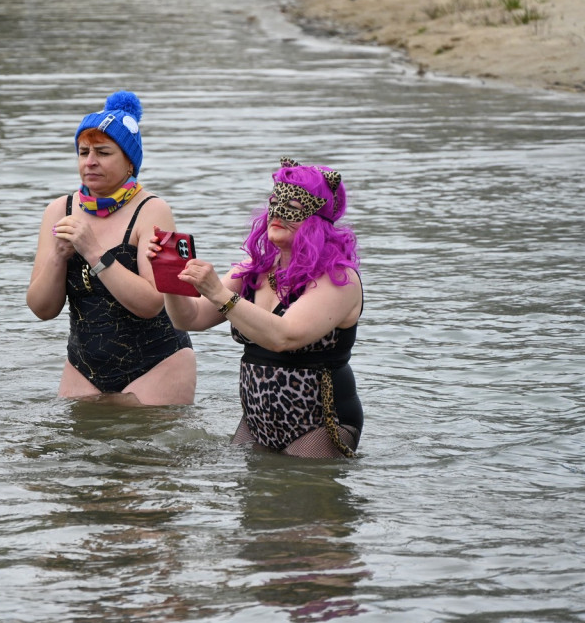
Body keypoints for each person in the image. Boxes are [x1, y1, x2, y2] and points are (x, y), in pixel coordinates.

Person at [151, 158, 363, 457]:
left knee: (302, 495)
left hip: (322, 422)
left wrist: (218, 293)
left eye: (292, 206)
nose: (277, 213)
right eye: (274, 202)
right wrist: (170, 276)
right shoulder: (254, 270)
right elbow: (191, 318)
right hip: (257, 420)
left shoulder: (338, 279)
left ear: (317, 218)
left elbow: (284, 336)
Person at [26, 91, 196, 406]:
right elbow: (41, 309)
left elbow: (153, 304)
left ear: (130, 162)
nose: (90, 161)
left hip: (159, 362)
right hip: (83, 367)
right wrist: (58, 259)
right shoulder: (58, 210)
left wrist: (94, 253)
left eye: (103, 152)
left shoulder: (156, 210)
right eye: (83, 152)